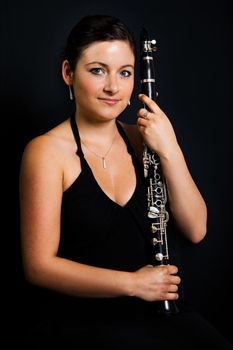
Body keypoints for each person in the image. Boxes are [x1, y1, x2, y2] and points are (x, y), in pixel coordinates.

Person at [19, 14, 232, 349]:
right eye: (97, 70)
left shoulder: (147, 140)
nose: (113, 87)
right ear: (68, 73)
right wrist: (133, 284)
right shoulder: (46, 152)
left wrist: (171, 149)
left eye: (125, 73)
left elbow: (196, 229)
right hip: (83, 324)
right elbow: (39, 267)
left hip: (161, 316)